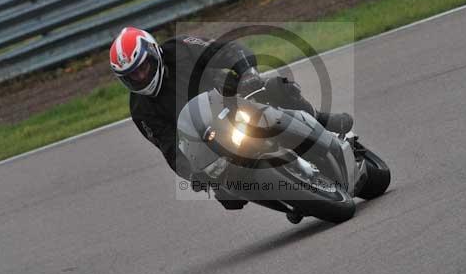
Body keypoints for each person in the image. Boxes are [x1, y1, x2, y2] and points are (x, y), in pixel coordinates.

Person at [109, 27, 353, 209]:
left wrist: (248, 72)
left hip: (231, 96)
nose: (141, 76)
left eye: (144, 67)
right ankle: (286, 199)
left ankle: (320, 120)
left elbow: (226, 50)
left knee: (278, 87)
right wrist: (192, 174)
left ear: (155, 53)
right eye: (133, 76)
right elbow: (169, 147)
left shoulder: (180, 47)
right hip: (209, 139)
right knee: (228, 196)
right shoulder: (141, 109)